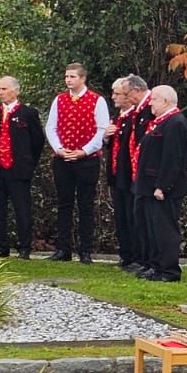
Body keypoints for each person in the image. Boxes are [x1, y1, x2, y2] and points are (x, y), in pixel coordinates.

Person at [45, 63, 110, 263]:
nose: (68, 80)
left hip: (87, 161)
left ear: (82, 79)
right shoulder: (60, 99)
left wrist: (83, 151)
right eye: (66, 76)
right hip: (63, 159)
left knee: (86, 205)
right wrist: (58, 149)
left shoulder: (97, 101)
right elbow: (51, 127)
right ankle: (63, 249)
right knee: (64, 204)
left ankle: (85, 250)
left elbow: (102, 130)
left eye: (72, 76)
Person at [132, 86, 187, 282]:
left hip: (164, 189)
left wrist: (162, 186)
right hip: (150, 186)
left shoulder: (175, 123)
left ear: (166, 101)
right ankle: (156, 266)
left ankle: (169, 270)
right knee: (153, 228)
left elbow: (172, 158)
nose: (150, 102)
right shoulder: (161, 122)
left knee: (165, 229)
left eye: (155, 99)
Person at [0, 76, 44, 258]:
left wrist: (29, 162)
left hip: (19, 169)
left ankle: (24, 247)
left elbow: (37, 141)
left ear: (16, 91)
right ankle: (1, 246)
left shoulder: (28, 113)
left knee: (22, 208)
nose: (0, 92)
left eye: (4, 89)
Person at [105, 76, 151, 273]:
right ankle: (126, 255)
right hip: (118, 176)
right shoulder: (119, 117)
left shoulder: (139, 115)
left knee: (134, 218)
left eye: (118, 93)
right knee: (122, 218)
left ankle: (138, 257)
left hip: (131, 176)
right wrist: (106, 137)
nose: (114, 97)